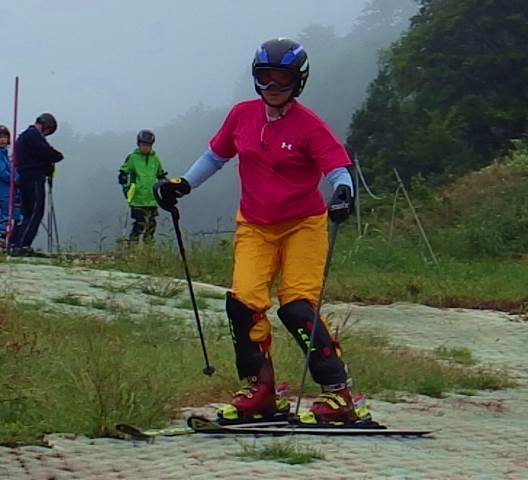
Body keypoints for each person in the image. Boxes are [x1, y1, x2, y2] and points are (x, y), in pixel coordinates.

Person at [154, 38, 362, 425]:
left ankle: (339, 394)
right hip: (254, 224)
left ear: (298, 81)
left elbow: (337, 168)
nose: (272, 86)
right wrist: (183, 184)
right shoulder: (242, 115)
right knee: (243, 303)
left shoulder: (309, 125)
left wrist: (343, 192)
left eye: (282, 78)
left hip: (303, 225)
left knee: (296, 307)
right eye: (265, 77)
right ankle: (260, 391)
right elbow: (215, 156)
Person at [10, 113, 63, 256]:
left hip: (25, 177)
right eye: (48, 131)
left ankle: (14, 243)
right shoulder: (33, 135)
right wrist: (57, 156)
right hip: (33, 178)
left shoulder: (24, 136)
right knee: (34, 212)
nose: (46, 135)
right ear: (45, 126)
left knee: (26, 213)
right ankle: (22, 245)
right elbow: (46, 152)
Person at [118, 130, 167, 244]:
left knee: (151, 225)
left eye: (148, 145)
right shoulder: (132, 158)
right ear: (138, 144)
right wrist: (124, 181)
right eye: (143, 144)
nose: (145, 147)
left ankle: (148, 248)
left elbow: (161, 174)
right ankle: (132, 246)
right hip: (137, 199)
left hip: (152, 199)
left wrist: (165, 184)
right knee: (139, 224)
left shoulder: (155, 159)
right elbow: (123, 171)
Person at [0, 125, 21, 247]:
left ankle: (8, 241)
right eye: (0, 137)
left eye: (5, 137)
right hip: (3, 190)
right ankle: (2, 239)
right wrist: (15, 180)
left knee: (11, 216)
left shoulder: (6, 155)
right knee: (5, 216)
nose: (3, 140)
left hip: (9, 191)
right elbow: (2, 173)